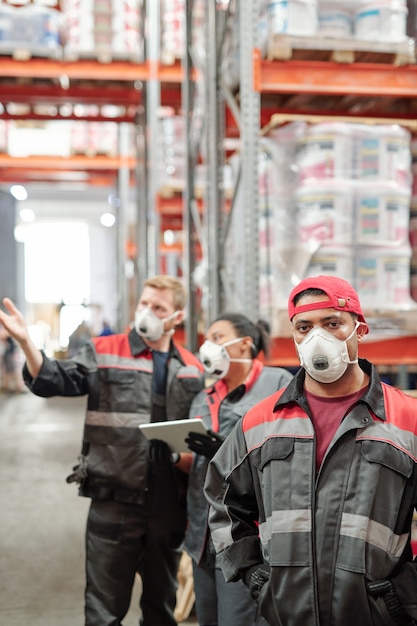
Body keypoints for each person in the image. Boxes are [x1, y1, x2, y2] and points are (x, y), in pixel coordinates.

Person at [204, 275, 417, 626]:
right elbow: (221, 499)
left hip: (375, 616)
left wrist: (404, 594)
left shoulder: (406, 419)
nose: (317, 337)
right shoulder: (260, 421)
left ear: (359, 330)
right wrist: (254, 575)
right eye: (304, 327)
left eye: (332, 323)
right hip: (286, 613)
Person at [0, 274, 205, 626]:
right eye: (144, 304)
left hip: (168, 502)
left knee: (161, 609)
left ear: (177, 317)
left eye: (158, 308)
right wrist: (26, 342)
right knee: (103, 612)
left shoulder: (192, 367)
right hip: (115, 499)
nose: (147, 312)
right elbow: (54, 379)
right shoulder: (105, 350)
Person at [184, 312, 293, 626]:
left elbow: (287, 457)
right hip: (202, 536)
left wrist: (226, 450)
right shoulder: (203, 398)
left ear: (245, 344)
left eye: (217, 337)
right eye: (208, 338)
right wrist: (172, 456)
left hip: (243, 535)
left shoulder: (278, 385)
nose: (208, 345)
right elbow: (197, 469)